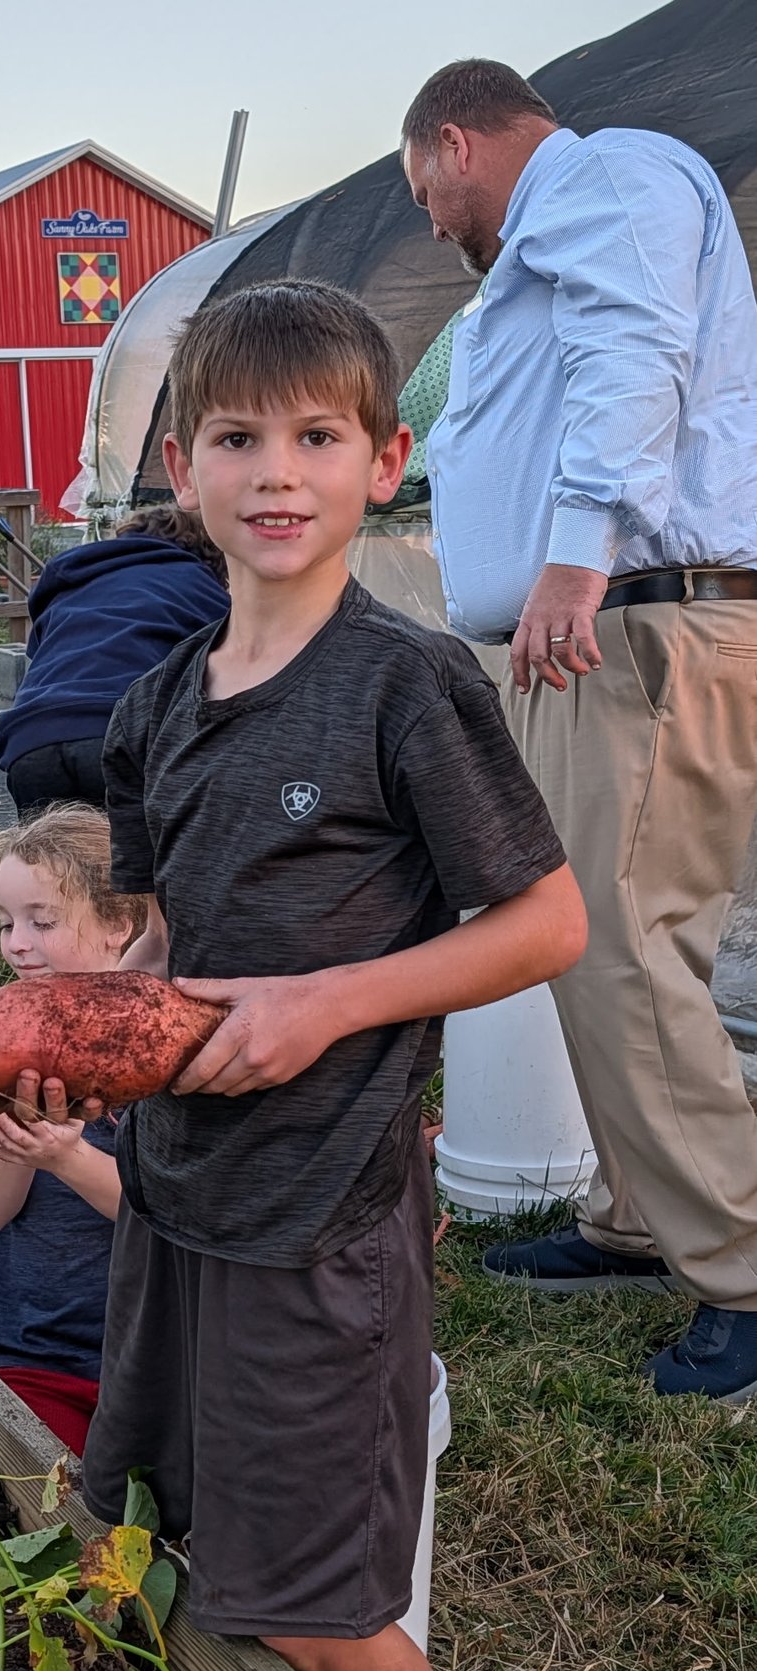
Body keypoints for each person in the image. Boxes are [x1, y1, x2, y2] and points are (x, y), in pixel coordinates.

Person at [0, 279, 585, 1671]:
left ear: (385, 464)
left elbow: (546, 921)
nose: (278, 472)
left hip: (318, 1220)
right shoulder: (154, 709)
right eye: (237, 437)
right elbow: (168, 945)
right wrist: (71, 1043)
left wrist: (326, 1004)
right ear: (181, 471)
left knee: (320, 1616)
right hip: (175, 1202)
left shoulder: (408, 686)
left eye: (318, 436)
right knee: (173, 1540)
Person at [403, 59, 757, 1401]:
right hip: (609, 637)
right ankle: (640, 1214)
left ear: (456, 140)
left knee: (618, 947)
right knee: (613, 940)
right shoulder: (567, 215)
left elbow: (633, 349)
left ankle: (740, 1269)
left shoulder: (603, 173)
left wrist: (574, 554)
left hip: (631, 628)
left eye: (424, 191)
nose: (433, 223)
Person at [0, 805, 145, 1454]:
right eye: (8, 923)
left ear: (120, 925)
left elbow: (171, 1214)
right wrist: (18, 1132)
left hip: (154, 1363)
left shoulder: (156, 1051)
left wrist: (69, 1157)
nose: (16, 943)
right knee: (30, 1503)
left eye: (43, 922)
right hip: (28, 1358)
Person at [0, 506, 229, 816]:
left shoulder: (75, 578)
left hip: (30, 738)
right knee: (147, 859)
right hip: (120, 733)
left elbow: (40, 654)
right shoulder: (198, 584)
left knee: (51, 859)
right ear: (211, 554)